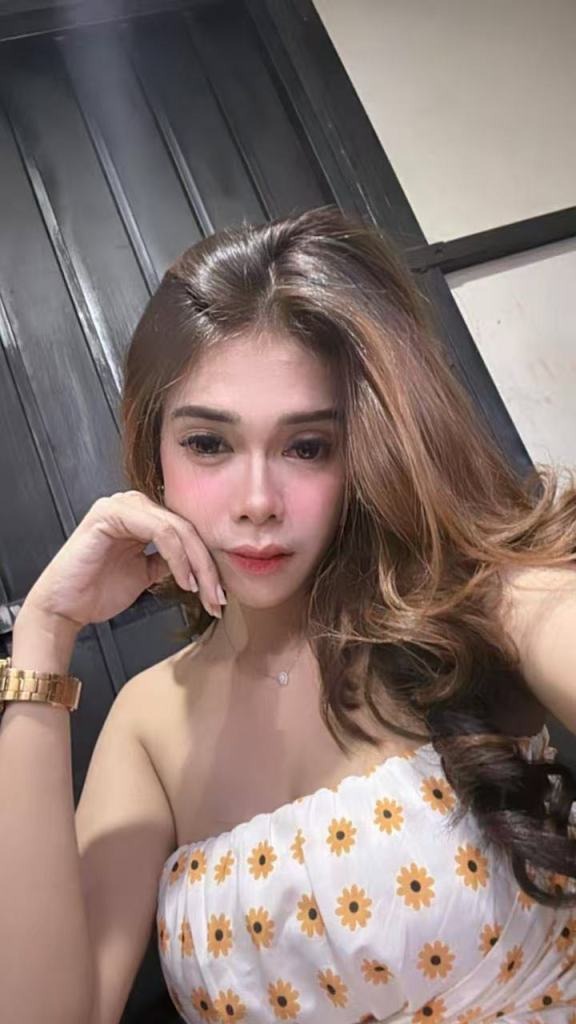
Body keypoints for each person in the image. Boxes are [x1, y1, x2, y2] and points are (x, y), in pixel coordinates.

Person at [1, 205, 575, 1024]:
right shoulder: (147, 723)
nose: (258, 501)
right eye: (209, 444)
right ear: (153, 456)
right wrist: (45, 633)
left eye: (307, 446)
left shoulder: (481, 598)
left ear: (363, 451)